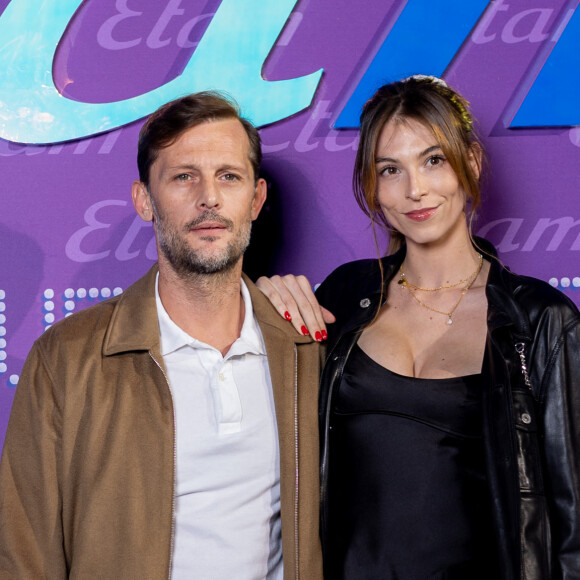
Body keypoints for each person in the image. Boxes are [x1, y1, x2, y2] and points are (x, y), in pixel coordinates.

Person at [256, 76, 580, 579]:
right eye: (391, 169)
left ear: (469, 163)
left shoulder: (541, 321)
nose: (415, 190)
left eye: (434, 160)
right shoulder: (341, 296)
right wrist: (263, 304)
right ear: (372, 185)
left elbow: (573, 528)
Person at [0, 92, 323, 579]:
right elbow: (23, 552)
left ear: (255, 200)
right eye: (183, 177)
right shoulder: (66, 358)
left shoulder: (305, 350)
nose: (209, 197)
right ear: (145, 201)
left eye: (228, 176)